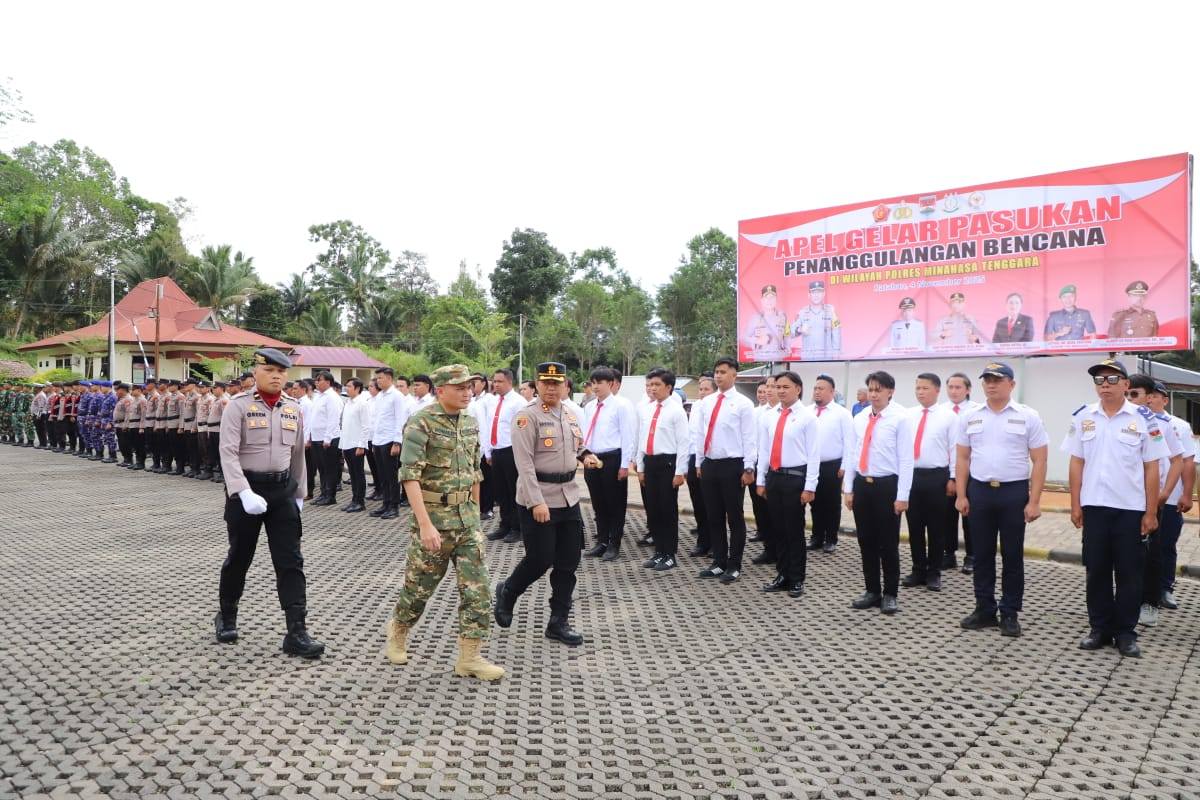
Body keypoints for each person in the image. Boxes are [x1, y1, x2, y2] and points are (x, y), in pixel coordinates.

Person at [385, 364, 504, 681]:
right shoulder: (420, 422)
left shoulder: (470, 422)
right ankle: (398, 630)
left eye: (469, 387)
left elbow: (475, 472)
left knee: (478, 591)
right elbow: (409, 476)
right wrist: (424, 525)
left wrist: (475, 516)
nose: (467, 392)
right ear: (441, 391)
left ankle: (470, 658)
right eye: (459, 387)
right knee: (418, 590)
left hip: (466, 522)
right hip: (434, 521)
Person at [216, 347, 323, 658]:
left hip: (282, 492)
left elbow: (298, 454)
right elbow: (228, 452)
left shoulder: (293, 408)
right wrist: (241, 491)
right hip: (247, 492)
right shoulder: (238, 406)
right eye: (269, 370)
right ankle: (227, 615)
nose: (276, 376)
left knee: (291, 561)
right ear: (256, 372)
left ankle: (297, 631)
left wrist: (300, 493)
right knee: (239, 557)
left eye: (281, 371)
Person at [493, 362, 602, 646]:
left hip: (569, 496)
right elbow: (524, 464)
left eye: (557, 383)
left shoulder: (569, 413)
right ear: (537, 385)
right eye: (546, 383)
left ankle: (558, 622)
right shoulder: (526, 417)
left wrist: (586, 455)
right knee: (540, 559)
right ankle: (508, 591)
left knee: (568, 562)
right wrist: (536, 502)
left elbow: (576, 445)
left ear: (565, 385)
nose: (552, 388)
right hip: (539, 497)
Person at [1067, 360, 1167, 657]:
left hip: (1130, 510)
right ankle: (1099, 629)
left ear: (1126, 384)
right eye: (1099, 380)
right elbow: (1076, 462)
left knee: (1130, 574)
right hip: (1095, 507)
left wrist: (1151, 511)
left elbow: (1152, 468)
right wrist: (1075, 503)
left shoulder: (1145, 419)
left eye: (1112, 379)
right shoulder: (1083, 416)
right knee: (1096, 571)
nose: (1105, 385)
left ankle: (1125, 633)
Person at [956, 361, 1048, 637]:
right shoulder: (970, 416)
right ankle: (984, 608)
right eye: (987, 380)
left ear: (1012, 384)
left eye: (997, 379)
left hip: (1013, 492)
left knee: (1012, 555)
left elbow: (1040, 460)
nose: (991, 385)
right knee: (981, 554)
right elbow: (962, 458)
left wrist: (1034, 501)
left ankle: (1009, 612)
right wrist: (961, 494)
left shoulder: (1028, 415)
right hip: (980, 491)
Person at [842, 371, 913, 615]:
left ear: (890, 392)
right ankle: (872, 590)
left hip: (887, 486)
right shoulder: (860, 417)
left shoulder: (900, 418)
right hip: (863, 485)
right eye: (871, 389)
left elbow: (906, 460)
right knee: (866, 540)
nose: (873, 394)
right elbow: (852, 454)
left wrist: (902, 496)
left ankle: (890, 593)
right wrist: (849, 488)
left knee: (888, 543)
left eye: (878, 390)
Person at [1124, 377, 1184, 628]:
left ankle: (1149, 602)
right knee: (1123, 554)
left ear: (1149, 397)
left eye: (1134, 394)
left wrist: (1164, 493)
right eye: (1127, 394)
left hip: (1150, 500)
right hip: (1123, 499)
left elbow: (1178, 460)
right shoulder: (1115, 420)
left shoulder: (1161, 425)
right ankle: (1126, 602)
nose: (1129, 399)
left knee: (1151, 553)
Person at [693, 356, 757, 584]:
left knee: (734, 516)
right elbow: (700, 434)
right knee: (714, 516)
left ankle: (734, 564)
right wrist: (699, 462)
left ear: (734, 375)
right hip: (710, 464)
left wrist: (749, 467)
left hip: (733, 465)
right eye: (716, 372)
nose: (718, 376)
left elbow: (750, 437)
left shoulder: (743, 404)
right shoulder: (707, 403)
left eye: (723, 372)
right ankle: (718, 562)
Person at [756, 371, 819, 598]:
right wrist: (761, 480)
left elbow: (814, 454)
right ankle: (782, 575)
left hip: (795, 478)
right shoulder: (769, 416)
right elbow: (764, 450)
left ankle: (796, 578)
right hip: (774, 477)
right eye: (777, 386)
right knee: (778, 529)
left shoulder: (807, 417)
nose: (780, 391)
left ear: (798, 389)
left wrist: (810, 486)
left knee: (794, 531)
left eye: (785, 387)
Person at [902, 373, 957, 592]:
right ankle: (918, 569)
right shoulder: (908, 415)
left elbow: (955, 449)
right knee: (914, 526)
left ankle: (934, 572)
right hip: (912, 476)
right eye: (918, 388)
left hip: (937, 477)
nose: (920, 392)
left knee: (936, 527)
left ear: (937, 390)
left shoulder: (949, 416)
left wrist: (953, 478)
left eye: (925, 388)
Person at [1145, 380, 1195, 611]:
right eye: (1148, 395)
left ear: (1165, 400)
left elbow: (1187, 462)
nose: (1150, 399)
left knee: (1165, 544)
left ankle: (1165, 588)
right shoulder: (1136, 421)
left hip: (1170, 497)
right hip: (1140, 498)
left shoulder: (1179, 426)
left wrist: (1187, 494)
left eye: (1155, 396)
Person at [636, 367, 690, 571]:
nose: (652, 388)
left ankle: (669, 554)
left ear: (669, 387)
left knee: (667, 511)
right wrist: (640, 466)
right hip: (650, 463)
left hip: (668, 464)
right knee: (654, 510)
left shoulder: (676, 411)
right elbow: (642, 439)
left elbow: (683, 443)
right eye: (650, 384)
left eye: (657, 384)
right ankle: (659, 551)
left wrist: (680, 471)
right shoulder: (648, 409)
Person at [580, 366, 636, 562]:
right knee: (598, 503)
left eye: (600, 383)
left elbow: (628, 436)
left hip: (613, 458)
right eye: (593, 383)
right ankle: (602, 541)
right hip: (593, 458)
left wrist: (624, 465)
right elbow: (586, 433)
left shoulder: (621, 405)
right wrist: (585, 456)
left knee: (615, 503)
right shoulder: (589, 407)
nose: (595, 387)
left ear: (611, 384)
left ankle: (614, 543)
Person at [808, 374, 853, 554]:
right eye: (815, 388)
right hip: (811, 465)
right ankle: (816, 537)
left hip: (832, 466)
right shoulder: (807, 411)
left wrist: (845, 466)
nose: (817, 392)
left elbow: (849, 442)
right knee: (815, 502)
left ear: (832, 391)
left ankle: (831, 538)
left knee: (832, 504)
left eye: (821, 388)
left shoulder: (842, 414)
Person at [941, 373, 980, 573]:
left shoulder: (977, 411)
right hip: (946, 471)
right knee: (947, 516)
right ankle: (948, 554)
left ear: (968, 390)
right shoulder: (940, 411)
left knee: (969, 515)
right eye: (951, 387)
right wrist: (950, 476)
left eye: (958, 387)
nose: (954, 391)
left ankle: (972, 556)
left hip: (970, 471)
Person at [482, 369, 523, 544]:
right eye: (494, 381)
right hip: (497, 451)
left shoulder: (518, 402)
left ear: (510, 382)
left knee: (514, 491)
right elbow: (489, 426)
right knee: (500, 492)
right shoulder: (493, 402)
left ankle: (517, 528)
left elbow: (522, 430)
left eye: (499, 381)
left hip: (512, 451)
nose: (495, 384)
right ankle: (504, 525)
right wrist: (488, 451)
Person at [748, 377, 778, 563]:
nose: (769, 390)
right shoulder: (758, 413)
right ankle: (769, 548)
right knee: (761, 509)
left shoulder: (785, 413)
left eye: (774, 386)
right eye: (767, 386)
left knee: (776, 512)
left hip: (778, 468)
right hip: (759, 464)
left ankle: (780, 551)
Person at [370, 367, 406, 519]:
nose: (378, 381)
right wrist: (374, 441)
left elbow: (400, 419)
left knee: (392, 476)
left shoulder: (396, 396)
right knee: (382, 475)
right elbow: (376, 420)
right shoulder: (380, 396)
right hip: (378, 440)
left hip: (390, 440)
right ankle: (385, 503)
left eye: (381, 378)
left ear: (389, 378)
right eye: (377, 378)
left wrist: (397, 442)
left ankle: (394, 506)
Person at [685, 374, 715, 557]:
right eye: (700, 389)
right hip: (693, 456)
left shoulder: (716, 407)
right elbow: (691, 434)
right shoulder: (696, 406)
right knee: (698, 503)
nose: (702, 392)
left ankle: (715, 544)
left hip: (709, 458)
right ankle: (703, 541)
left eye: (706, 389)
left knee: (711, 504)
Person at [309, 371, 344, 505]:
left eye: (319, 380)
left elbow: (333, 419)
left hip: (328, 439)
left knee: (330, 468)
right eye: (316, 380)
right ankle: (323, 493)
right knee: (322, 468)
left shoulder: (332, 397)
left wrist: (328, 438)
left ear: (328, 382)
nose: (316, 382)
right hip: (317, 437)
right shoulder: (318, 396)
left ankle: (330, 496)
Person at [790, 280, 841, 360]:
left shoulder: (831, 311)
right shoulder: (802, 313)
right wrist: (799, 329)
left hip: (826, 358)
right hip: (808, 359)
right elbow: (790, 333)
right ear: (809, 295)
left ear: (824, 294)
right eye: (813, 292)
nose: (816, 295)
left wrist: (836, 355)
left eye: (819, 292)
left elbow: (836, 334)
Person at [340, 378, 369, 512]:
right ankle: (354, 500)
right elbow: (345, 425)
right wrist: (343, 445)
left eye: (349, 386)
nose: (346, 388)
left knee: (358, 474)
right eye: (346, 386)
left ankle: (360, 502)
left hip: (356, 444)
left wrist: (361, 445)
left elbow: (365, 426)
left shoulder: (362, 403)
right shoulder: (348, 403)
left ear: (357, 388)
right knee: (352, 474)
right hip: (347, 443)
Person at [744, 284, 789, 360]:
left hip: (778, 359)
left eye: (772, 297)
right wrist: (757, 340)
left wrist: (787, 349)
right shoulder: (755, 318)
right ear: (762, 300)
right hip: (760, 359)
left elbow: (787, 335)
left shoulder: (783, 317)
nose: (769, 300)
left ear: (776, 299)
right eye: (766, 298)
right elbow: (745, 338)